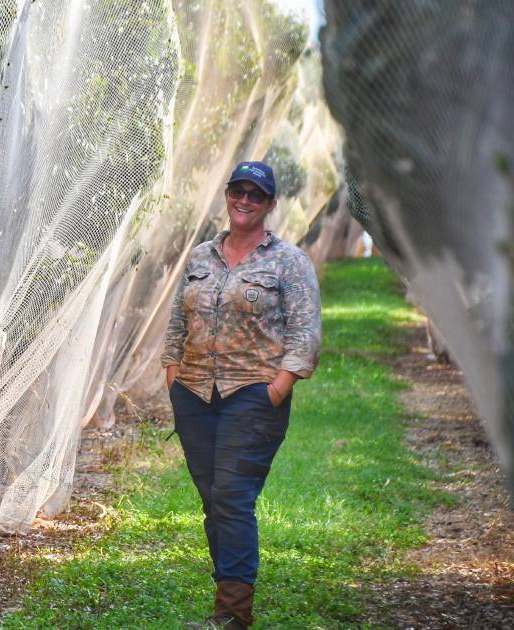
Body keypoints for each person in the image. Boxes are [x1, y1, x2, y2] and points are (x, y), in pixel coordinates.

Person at [160, 161, 322, 629]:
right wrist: (173, 375)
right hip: (192, 392)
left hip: (252, 393)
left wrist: (278, 388)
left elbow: (305, 333)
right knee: (213, 497)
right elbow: (177, 322)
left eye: (256, 194)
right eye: (238, 190)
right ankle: (229, 595)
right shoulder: (200, 257)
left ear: (270, 204)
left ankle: (232, 614)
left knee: (232, 495)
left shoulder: (288, 261)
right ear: (228, 195)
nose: (244, 200)